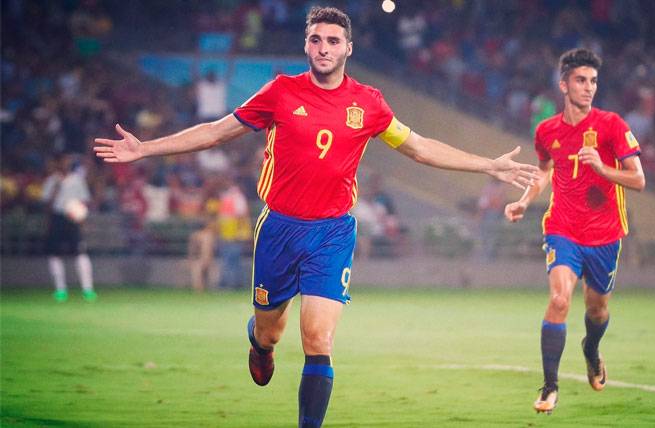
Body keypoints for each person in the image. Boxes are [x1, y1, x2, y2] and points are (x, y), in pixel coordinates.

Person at [94, 7, 538, 427]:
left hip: (332, 232)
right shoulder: (280, 93)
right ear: (306, 46)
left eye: (332, 40)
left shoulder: (369, 103)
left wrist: (487, 164)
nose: (323, 47)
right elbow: (214, 132)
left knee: (318, 340)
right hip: (280, 230)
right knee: (271, 332)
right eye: (315, 39)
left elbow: (419, 147)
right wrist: (145, 148)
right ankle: (259, 343)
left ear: (348, 48)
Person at [504, 48, 645, 414]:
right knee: (560, 299)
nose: (588, 88)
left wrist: (601, 167)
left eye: (593, 81)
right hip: (562, 228)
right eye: (581, 80)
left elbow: (639, 179)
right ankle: (550, 386)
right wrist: (525, 199)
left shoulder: (612, 125)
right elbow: (546, 169)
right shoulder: (546, 130)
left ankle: (591, 350)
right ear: (564, 84)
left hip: (605, 234)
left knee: (597, 310)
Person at [41, 155, 97, 302]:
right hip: (57, 218)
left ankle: (88, 290)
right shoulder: (52, 180)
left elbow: (84, 201)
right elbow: (47, 204)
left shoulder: (77, 180)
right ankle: (60, 290)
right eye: (64, 160)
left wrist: (82, 219)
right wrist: (56, 188)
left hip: (73, 219)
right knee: (55, 253)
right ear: (59, 163)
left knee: (80, 252)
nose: (67, 163)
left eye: (69, 161)